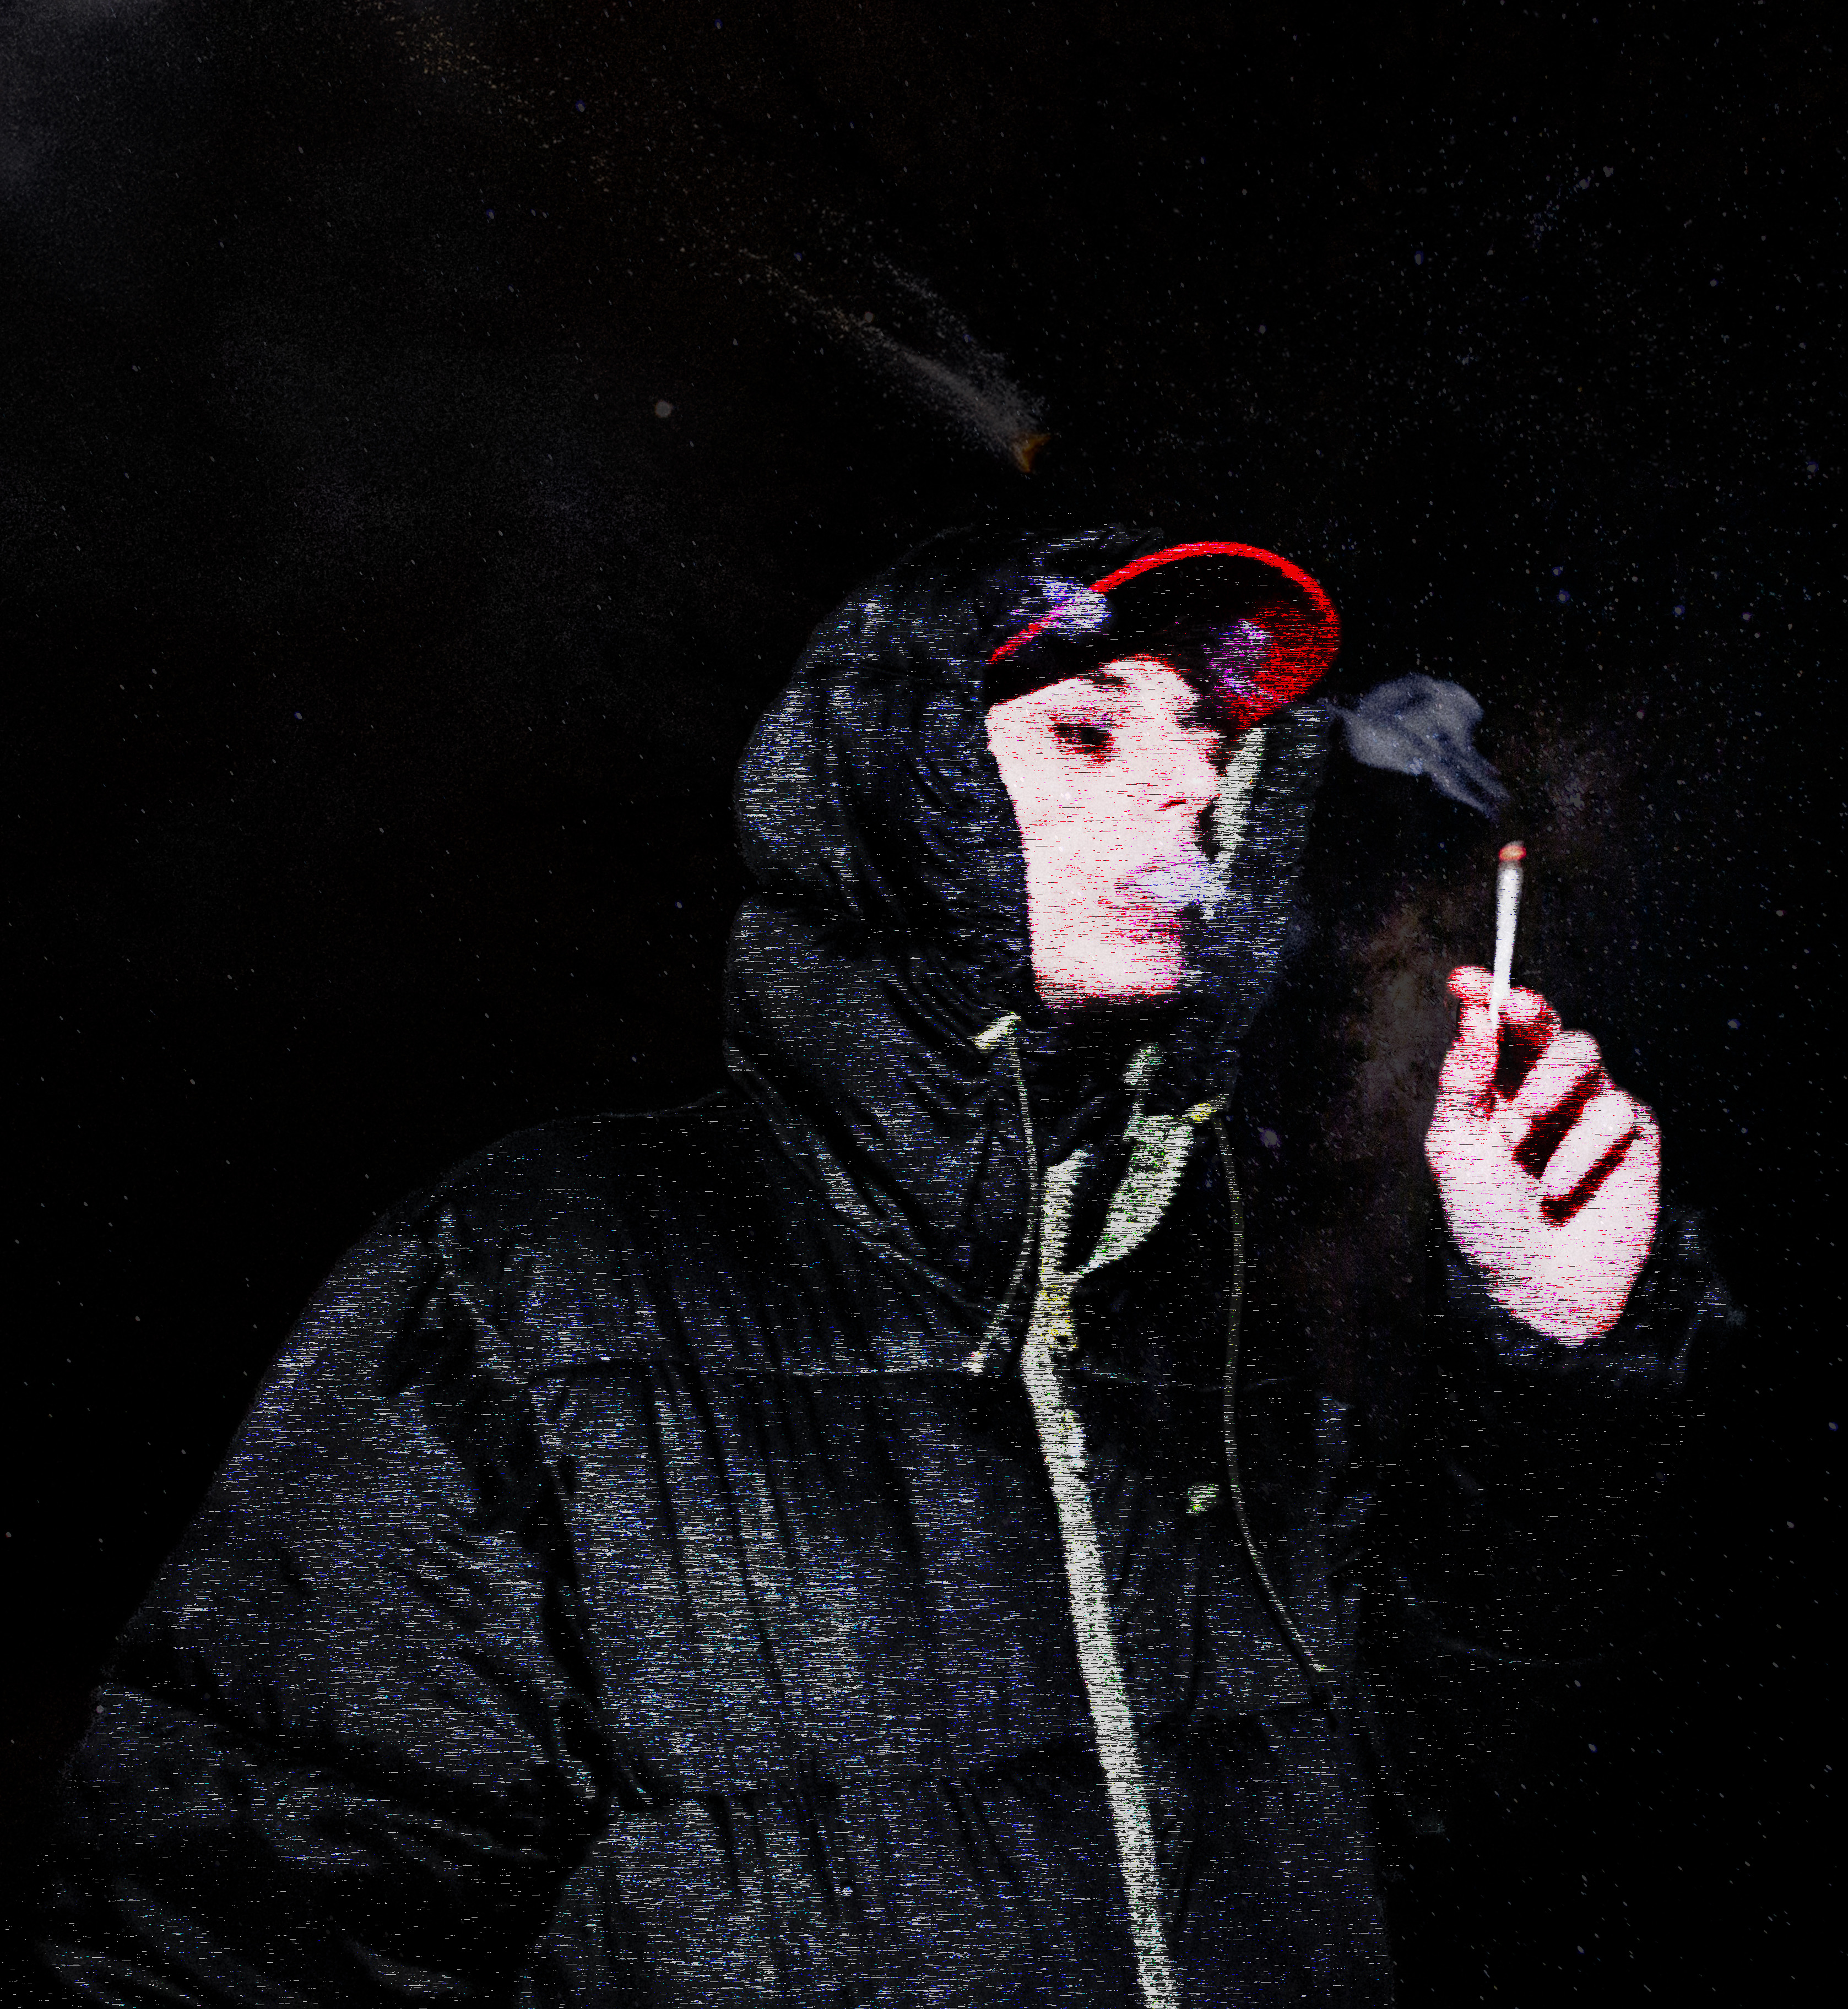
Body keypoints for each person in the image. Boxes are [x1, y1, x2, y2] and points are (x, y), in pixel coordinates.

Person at [34, 525, 1733, 2006]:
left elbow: (1431, 1803)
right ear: (903, 791)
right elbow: (217, 1939)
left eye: (1214, 743)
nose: (1192, 788)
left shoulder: (1208, 1296)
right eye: (1087, 728)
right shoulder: (539, 1285)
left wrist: (1556, 1354)